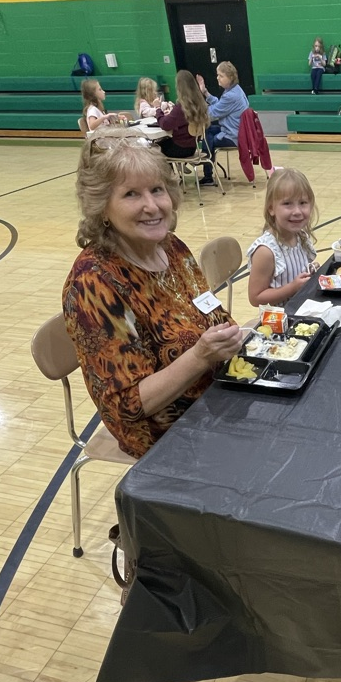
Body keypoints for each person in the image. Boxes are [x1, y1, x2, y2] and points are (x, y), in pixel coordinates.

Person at [63, 129, 244, 459]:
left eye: (157, 189)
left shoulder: (171, 248)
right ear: (102, 208)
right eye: (131, 194)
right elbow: (127, 406)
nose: (152, 206)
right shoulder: (93, 283)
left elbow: (212, 312)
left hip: (218, 395)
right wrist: (201, 356)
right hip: (165, 435)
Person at [247, 168, 317, 307]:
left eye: (303, 203)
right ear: (271, 208)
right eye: (287, 204)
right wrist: (292, 288)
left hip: (300, 314)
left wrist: (309, 273)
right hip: (278, 323)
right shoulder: (266, 251)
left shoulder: (301, 237)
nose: (297, 211)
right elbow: (255, 298)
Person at [195, 61, 249, 185]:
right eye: (217, 75)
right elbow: (220, 104)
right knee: (207, 130)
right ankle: (206, 169)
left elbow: (212, 114)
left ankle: (207, 173)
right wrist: (205, 92)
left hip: (233, 135)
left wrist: (194, 109)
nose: (217, 78)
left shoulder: (231, 96)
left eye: (221, 75)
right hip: (234, 130)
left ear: (230, 77)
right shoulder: (235, 90)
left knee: (208, 137)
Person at [154, 69, 210, 159]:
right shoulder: (200, 103)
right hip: (192, 147)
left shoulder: (182, 107)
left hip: (180, 148)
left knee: (154, 148)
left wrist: (157, 109)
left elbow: (164, 124)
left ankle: (166, 172)